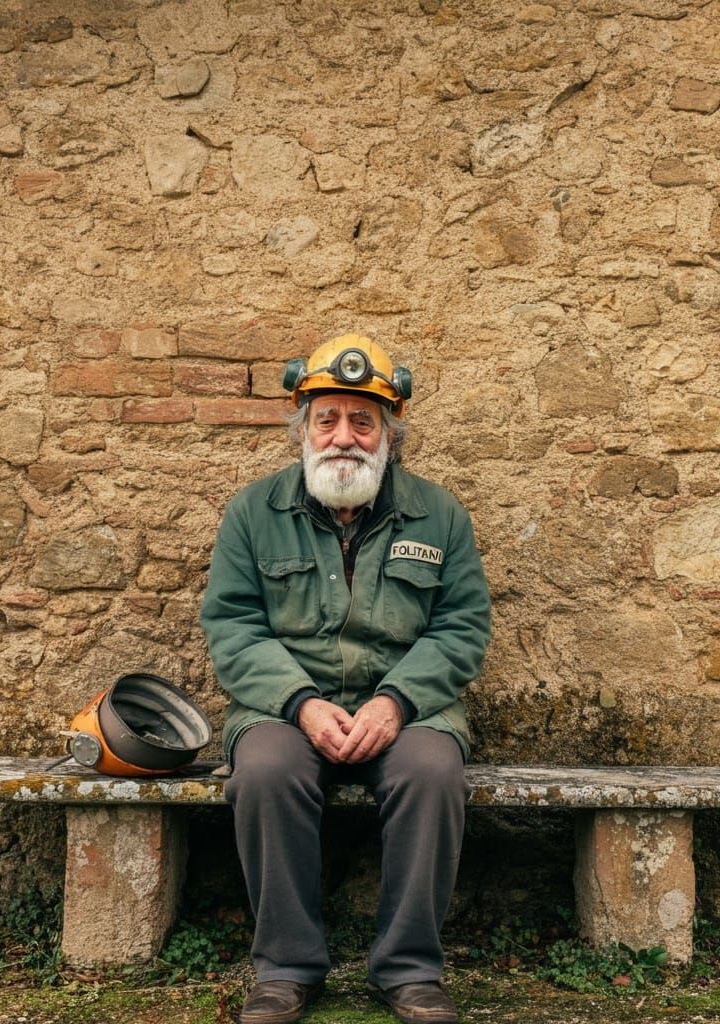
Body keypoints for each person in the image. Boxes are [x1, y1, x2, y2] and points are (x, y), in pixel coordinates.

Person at [200, 333, 491, 1024]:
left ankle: (410, 971)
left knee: (432, 773)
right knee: (265, 772)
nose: (344, 437)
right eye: (326, 419)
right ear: (302, 429)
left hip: (410, 708)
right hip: (284, 707)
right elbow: (233, 626)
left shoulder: (440, 515)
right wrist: (300, 704)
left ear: (389, 434)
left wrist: (397, 701)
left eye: (363, 421)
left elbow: (463, 626)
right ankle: (287, 969)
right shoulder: (252, 513)